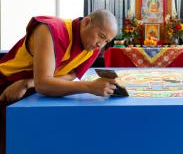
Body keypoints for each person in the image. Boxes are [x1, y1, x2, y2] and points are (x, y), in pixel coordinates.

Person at [0, 9, 118, 154]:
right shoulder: (50, 30)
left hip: (32, 89)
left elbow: (71, 74)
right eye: (101, 36)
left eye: (106, 41)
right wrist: (89, 86)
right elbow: (43, 84)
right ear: (87, 22)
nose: (101, 45)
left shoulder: (91, 47)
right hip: (6, 82)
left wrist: (28, 83)